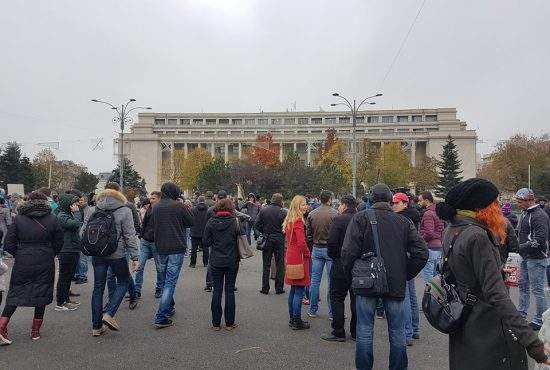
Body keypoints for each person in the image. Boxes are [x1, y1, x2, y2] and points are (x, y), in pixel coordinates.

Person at [435, 179, 550, 369]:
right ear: (482, 207)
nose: (498, 207)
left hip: (463, 321)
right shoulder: (477, 235)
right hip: (486, 328)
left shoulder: (452, 229)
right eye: (495, 202)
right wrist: (533, 344)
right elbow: (497, 295)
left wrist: (493, 271)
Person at [341, 183, 428, 370]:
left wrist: (351, 276)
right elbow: (421, 252)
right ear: (390, 200)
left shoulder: (360, 218)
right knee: (397, 331)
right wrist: (405, 272)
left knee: (364, 330)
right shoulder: (403, 222)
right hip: (395, 280)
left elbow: (348, 252)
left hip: (365, 279)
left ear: (371, 199)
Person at [0, 191, 63, 345]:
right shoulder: (52, 219)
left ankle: (1, 326)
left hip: (23, 259)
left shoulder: (19, 219)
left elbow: (8, 243)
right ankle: (35, 331)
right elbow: (59, 242)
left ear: (28, 201)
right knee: (42, 291)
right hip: (45, 259)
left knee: (16, 292)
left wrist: (20, 253)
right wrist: (50, 253)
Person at [82, 189, 139, 336]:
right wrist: (135, 257)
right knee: (124, 281)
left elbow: (83, 232)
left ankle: (96, 327)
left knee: (98, 288)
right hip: (116, 254)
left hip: (97, 254)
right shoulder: (125, 211)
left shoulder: (93, 210)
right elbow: (129, 235)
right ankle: (109, 313)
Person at [152, 182, 193, 328]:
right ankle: (161, 316)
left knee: (164, 280)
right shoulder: (178, 206)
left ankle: (168, 307)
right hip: (176, 247)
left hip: (160, 247)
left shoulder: (155, 207)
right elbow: (190, 222)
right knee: (170, 282)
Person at [321, 195, 357, 342]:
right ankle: (356, 331)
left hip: (340, 263)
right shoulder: (362, 219)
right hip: (357, 264)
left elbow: (332, 242)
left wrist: (334, 256)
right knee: (356, 298)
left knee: (336, 297)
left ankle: (338, 331)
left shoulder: (339, 219)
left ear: (343, 205)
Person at [515, 188, 550, 331]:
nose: (518, 204)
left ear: (529, 200)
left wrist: (520, 247)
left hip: (537, 258)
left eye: (520, 201)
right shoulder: (525, 213)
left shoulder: (539, 215)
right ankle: (521, 315)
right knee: (523, 286)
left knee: (537, 290)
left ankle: (541, 320)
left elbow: (540, 240)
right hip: (526, 257)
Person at [203, 198, 240, 331]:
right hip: (232, 259)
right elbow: (241, 239)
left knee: (217, 290)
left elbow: (206, 242)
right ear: (231, 208)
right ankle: (230, 323)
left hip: (216, 260)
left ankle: (216, 323)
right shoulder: (235, 222)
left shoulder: (211, 222)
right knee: (230, 290)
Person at [391, 192, 422, 346]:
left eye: (397, 203)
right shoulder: (413, 216)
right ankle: (414, 329)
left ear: (405, 203)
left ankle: (408, 332)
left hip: (404, 258)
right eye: (393, 203)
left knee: (406, 297)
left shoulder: (403, 219)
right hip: (409, 258)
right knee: (411, 296)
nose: (394, 205)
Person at [306, 190, 338, 318]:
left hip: (317, 247)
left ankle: (313, 309)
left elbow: (308, 232)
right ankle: (332, 312)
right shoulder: (335, 214)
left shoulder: (312, 214)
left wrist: (312, 242)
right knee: (332, 281)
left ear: (320, 199)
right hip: (330, 249)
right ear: (330, 199)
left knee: (314, 280)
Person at [284, 195, 311, 330]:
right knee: (299, 290)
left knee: (294, 290)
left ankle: (292, 318)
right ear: (297, 206)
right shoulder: (299, 221)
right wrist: (307, 253)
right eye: (303, 204)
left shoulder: (289, 220)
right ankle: (296, 320)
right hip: (299, 257)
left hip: (291, 256)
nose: (306, 206)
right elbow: (301, 241)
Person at [255, 193, 287, 295]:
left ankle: (265, 288)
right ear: (280, 201)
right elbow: (287, 226)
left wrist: (263, 231)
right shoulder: (283, 212)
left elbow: (256, 224)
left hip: (267, 237)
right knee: (280, 264)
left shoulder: (264, 210)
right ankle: (279, 288)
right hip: (279, 239)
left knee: (266, 264)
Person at [55, 193, 82, 311]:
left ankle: (66, 299)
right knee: (64, 277)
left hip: (72, 249)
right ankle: (60, 303)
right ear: (68, 204)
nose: (76, 205)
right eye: (74, 203)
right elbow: (75, 225)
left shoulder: (67, 214)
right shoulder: (62, 216)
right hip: (66, 250)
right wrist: (77, 213)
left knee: (68, 276)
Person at [135, 191, 164, 299]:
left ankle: (159, 288)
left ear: (159, 199)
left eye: (153, 198)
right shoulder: (149, 209)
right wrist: (141, 236)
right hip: (145, 241)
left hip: (157, 243)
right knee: (139, 266)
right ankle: (137, 290)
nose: (150, 200)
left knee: (159, 267)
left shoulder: (162, 210)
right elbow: (145, 224)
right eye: (150, 198)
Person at [418, 191, 445, 283]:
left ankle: (429, 298)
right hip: (439, 248)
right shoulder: (438, 212)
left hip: (430, 248)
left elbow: (429, 232)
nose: (419, 203)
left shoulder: (428, 214)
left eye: (420, 201)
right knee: (437, 280)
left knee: (429, 282)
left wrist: (420, 241)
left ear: (426, 200)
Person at [190, 196, 209, 268]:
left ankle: (193, 263)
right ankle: (206, 262)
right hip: (205, 231)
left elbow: (190, 219)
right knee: (205, 248)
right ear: (204, 201)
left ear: (198, 201)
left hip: (195, 231)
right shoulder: (208, 209)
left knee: (194, 249)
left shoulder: (193, 209)